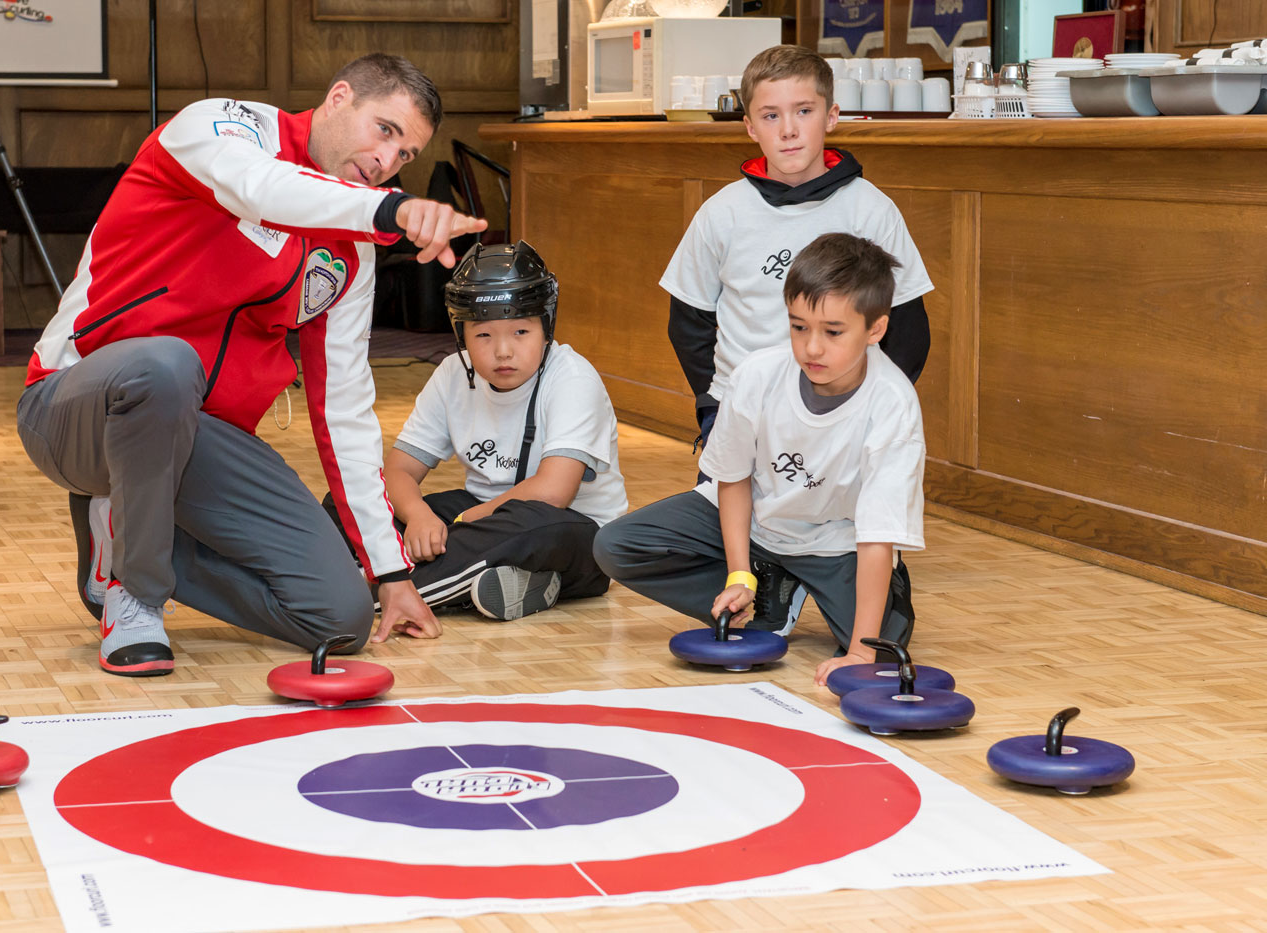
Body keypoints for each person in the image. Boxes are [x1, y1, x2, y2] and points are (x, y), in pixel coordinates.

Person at [16, 53, 487, 676]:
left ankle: (124, 534)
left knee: (338, 617)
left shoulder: (352, 251)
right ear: (339, 97)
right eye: (385, 131)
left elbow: (342, 409)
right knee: (165, 365)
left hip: (199, 442)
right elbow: (260, 188)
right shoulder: (223, 128)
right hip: (76, 407)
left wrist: (390, 570)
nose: (387, 162)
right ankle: (135, 596)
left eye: (406, 157)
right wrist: (391, 211)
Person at [659, 44, 933, 631]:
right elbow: (688, 322)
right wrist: (716, 406)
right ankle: (766, 583)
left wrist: (865, 411)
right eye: (772, 115)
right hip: (744, 410)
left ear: (832, 116)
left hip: (840, 412)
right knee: (729, 524)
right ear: (749, 124)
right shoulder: (720, 213)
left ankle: (851, 575)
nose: (789, 130)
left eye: (804, 112)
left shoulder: (870, 209)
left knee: (853, 555)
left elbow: (908, 329)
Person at [594, 233, 924, 687]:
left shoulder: (894, 404)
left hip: (837, 541)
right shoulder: (756, 375)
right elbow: (732, 478)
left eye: (832, 332)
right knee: (614, 546)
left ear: (875, 330)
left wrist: (859, 652)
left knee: (876, 643)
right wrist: (739, 575)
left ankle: (880, 589)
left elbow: (876, 533)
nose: (811, 348)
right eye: (798, 327)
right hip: (756, 527)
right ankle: (769, 588)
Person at [324, 241, 628, 621]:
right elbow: (398, 471)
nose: (503, 351)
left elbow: (553, 492)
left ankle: (366, 593)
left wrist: (462, 525)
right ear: (461, 334)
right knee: (348, 500)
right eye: (483, 335)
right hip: (482, 518)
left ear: (547, 327)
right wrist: (418, 515)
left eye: (520, 331)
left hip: (573, 532)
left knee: (529, 528)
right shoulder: (453, 374)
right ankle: (497, 581)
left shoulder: (574, 377)